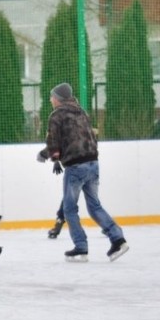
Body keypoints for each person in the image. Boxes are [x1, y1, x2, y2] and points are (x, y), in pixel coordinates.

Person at [45, 82, 128, 262]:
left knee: (69, 209)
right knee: (94, 206)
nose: (50, 99)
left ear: (58, 99)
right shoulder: (82, 112)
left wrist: (54, 157)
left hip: (75, 167)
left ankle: (81, 247)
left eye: (52, 96)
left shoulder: (56, 115)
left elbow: (54, 141)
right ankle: (118, 239)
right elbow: (90, 137)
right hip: (93, 163)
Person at [37, 146, 66, 238]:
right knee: (93, 204)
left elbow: (55, 141)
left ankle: (59, 222)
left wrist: (45, 154)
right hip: (91, 164)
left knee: (69, 197)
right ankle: (109, 227)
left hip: (76, 169)